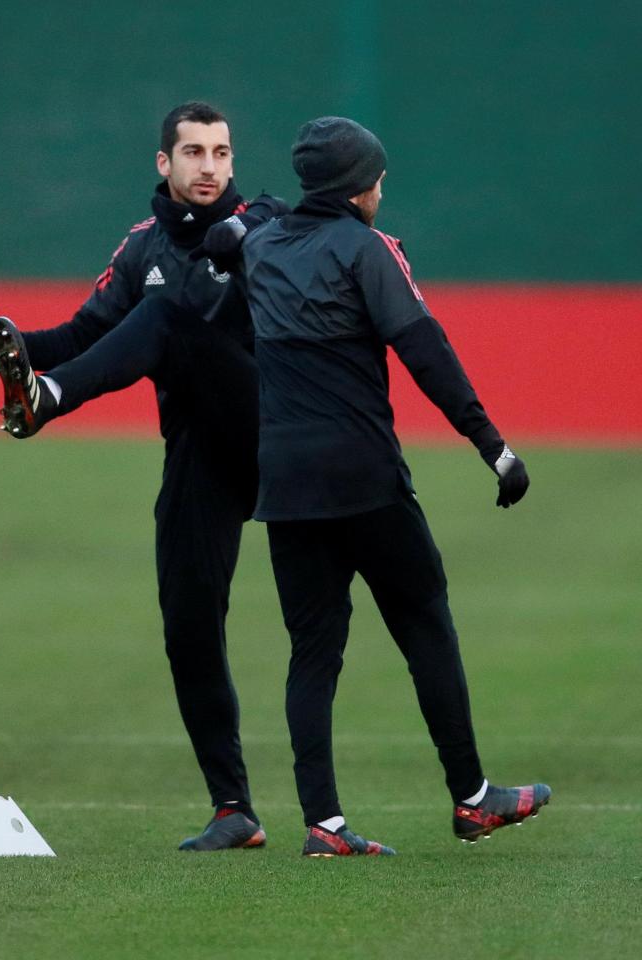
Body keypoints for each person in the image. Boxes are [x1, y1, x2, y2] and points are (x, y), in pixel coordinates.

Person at [0, 101, 289, 852]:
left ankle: (49, 403)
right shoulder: (142, 249)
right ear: (163, 165)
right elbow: (82, 333)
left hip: (281, 435)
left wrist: (49, 386)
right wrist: (11, 342)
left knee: (166, 321)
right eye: (193, 153)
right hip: (202, 451)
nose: (209, 166)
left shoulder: (267, 227)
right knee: (188, 627)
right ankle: (234, 809)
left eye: (221, 152)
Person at [229, 116, 551, 856]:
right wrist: (492, 447)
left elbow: (245, 236)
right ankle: (472, 800)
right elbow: (424, 350)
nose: (381, 187)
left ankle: (323, 824)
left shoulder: (264, 248)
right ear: (356, 188)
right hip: (363, 477)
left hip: (283, 482)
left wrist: (253, 219)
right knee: (423, 622)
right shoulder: (367, 250)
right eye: (375, 176)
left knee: (311, 651)